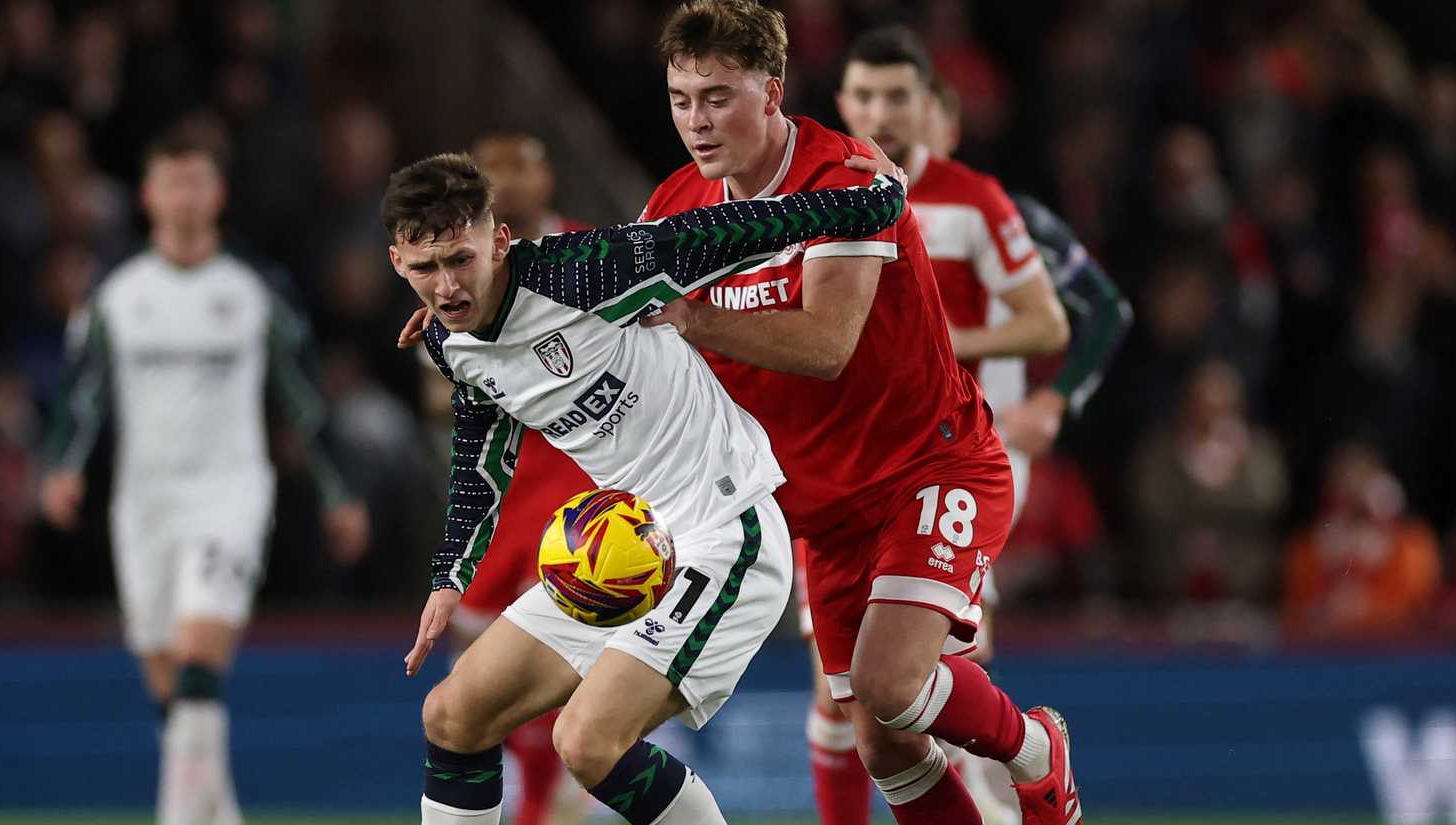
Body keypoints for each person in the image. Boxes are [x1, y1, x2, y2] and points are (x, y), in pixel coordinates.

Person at [635, 3, 1082, 822]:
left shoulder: (846, 182)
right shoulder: (673, 209)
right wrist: (482, 308)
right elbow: (611, 304)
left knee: (888, 684)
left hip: (931, 463)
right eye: (680, 99)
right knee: (882, 739)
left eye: (718, 97)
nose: (696, 122)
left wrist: (694, 320)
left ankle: (1034, 749)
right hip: (824, 512)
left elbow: (827, 341)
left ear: (772, 93)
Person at [387, 150, 906, 825]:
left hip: (726, 532)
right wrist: (451, 572)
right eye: (426, 268)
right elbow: (482, 447)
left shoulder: (586, 272)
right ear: (398, 261)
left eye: (461, 258)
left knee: (587, 741)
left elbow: (735, 228)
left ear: (499, 240)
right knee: (453, 715)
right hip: (629, 554)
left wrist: (876, 203)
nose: (448, 285)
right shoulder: (448, 340)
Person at [39, 129, 371, 825]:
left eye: (197, 182)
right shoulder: (116, 294)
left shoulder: (254, 289)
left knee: (197, 658)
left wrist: (338, 492)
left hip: (231, 493)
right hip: (144, 500)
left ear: (216, 194)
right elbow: (81, 393)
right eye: (172, 183)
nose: (185, 197)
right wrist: (62, 468)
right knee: (171, 685)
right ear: (148, 195)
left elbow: (304, 394)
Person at [428, 133, 598, 825]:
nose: (508, 184)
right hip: (498, 496)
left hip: (576, 487)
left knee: (545, 655)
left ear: (545, 176)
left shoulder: (591, 254)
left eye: (520, 168)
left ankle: (543, 798)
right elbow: (438, 393)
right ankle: (517, 792)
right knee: (473, 666)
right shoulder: (457, 273)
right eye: (492, 173)